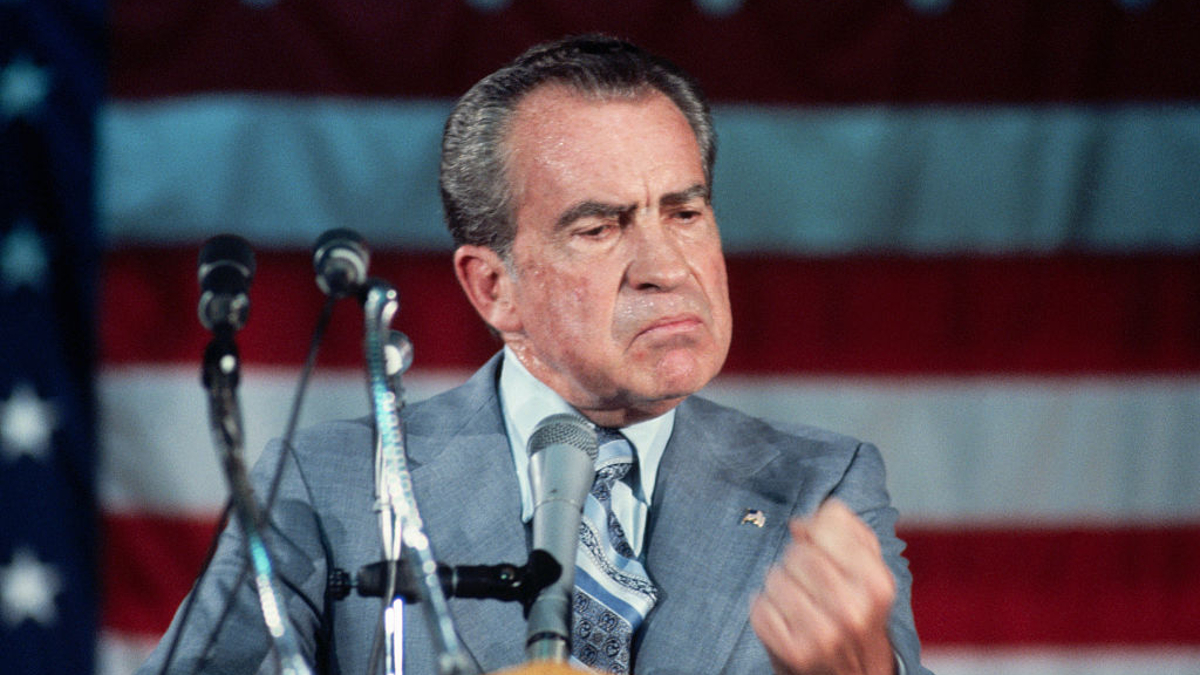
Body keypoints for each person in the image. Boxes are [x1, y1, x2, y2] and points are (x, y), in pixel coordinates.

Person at [139, 34, 930, 675]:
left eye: (685, 211)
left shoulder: (819, 486)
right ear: (493, 289)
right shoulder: (333, 487)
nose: (666, 266)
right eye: (600, 227)